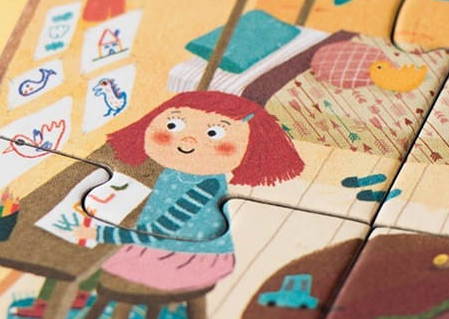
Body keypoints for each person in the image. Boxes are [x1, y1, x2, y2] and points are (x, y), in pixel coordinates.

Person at [75, 90, 304, 292]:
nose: (188, 140)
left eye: (214, 133)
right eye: (173, 125)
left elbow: (162, 230)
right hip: (158, 245)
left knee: (86, 259)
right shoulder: (172, 173)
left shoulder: (208, 185)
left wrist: (101, 234)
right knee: (88, 258)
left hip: (187, 260)